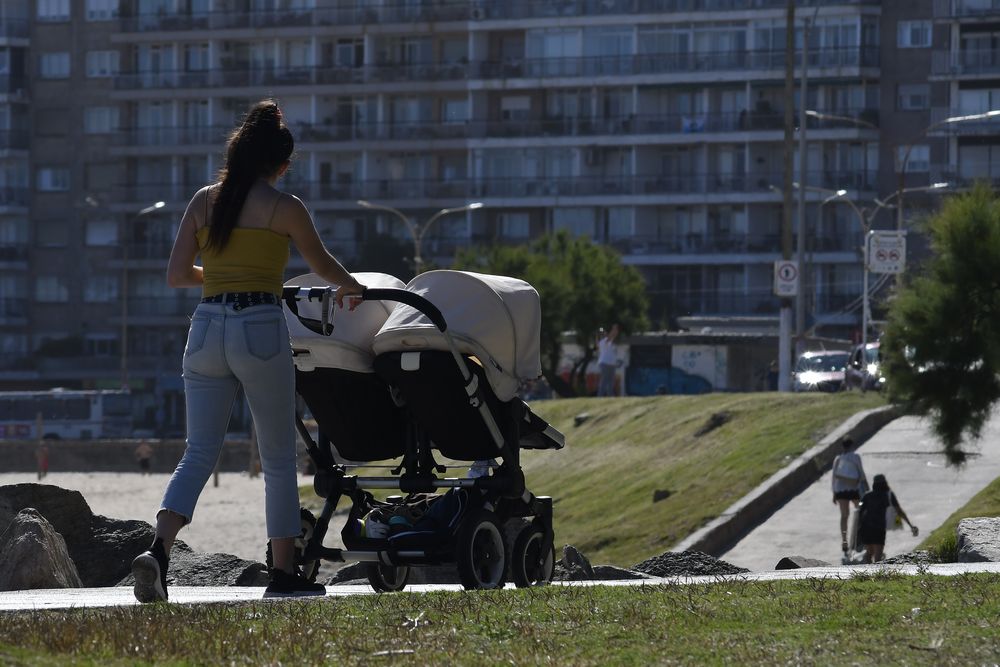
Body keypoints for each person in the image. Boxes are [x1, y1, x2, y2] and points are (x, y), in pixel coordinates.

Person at [130, 100, 365, 603]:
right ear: (279, 164)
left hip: (206, 327)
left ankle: (158, 551)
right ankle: (283, 572)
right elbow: (322, 266)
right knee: (279, 457)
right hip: (258, 323)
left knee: (197, 452)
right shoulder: (284, 208)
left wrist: (219, 277)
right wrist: (353, 288)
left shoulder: (204, 201)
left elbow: (176, 276)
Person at [857, 473, 918, 564]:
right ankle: (876, 575)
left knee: (869, 553)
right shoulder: (888, 495)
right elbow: (899, 511)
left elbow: (859, 512)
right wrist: (910, 525)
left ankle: (868, 573)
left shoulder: (867, 495)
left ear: (874, 484)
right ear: (885, 483)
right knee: (878, 555)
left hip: (866, 528)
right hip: (879, 527)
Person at [831, 436, 868, 558]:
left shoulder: (838, 458)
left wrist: (834, 493)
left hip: (841, 491)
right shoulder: (855, 457)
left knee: (844, 516)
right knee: (860, 513)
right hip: (854, 489)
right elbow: (861, 473)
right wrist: (866, 487)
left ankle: (844, 541)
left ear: (842, 446)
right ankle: (860, 538)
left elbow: (834, 478)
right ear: (852, 446)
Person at [596, 323, 620, 397]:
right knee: (605, 381)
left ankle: (610, 396)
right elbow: (611, 335)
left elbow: (612, 335)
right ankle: (600, 396)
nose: (606, 334)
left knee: (610, 382)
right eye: (604, 333)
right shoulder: (603, 341)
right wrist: (614, 329)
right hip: (605, 364)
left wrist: (614, 330)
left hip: (610, 364)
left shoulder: (606, 342)